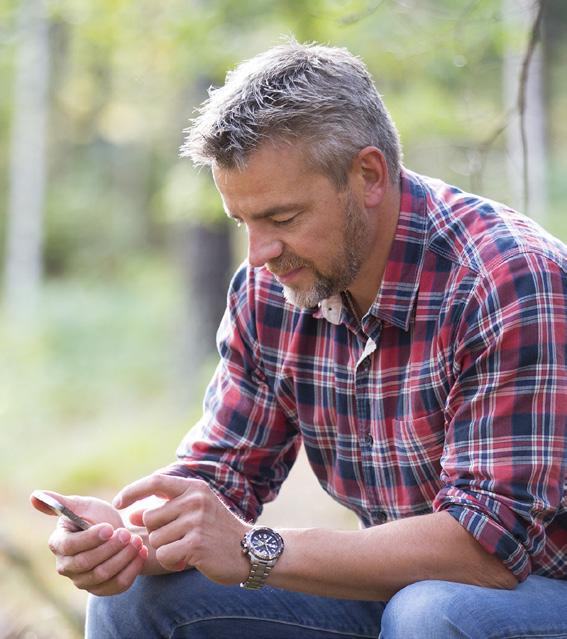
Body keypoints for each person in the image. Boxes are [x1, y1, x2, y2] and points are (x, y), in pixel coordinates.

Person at [33, 40, 567, 638]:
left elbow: (486, 551)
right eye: (245, 222)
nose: (259, 254)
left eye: (282, 219)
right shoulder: (276, 287)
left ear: (368, 174)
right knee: (136, 601)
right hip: (400, 594)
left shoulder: (507, 280)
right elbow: (221, 472)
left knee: (434, 613)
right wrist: (129, 537)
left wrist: (256, 549)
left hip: (532, 592)